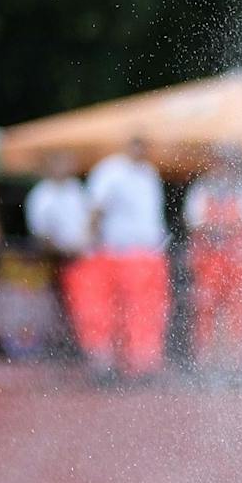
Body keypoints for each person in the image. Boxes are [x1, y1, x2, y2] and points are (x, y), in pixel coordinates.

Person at [84, 135, 171, 381]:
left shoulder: (148, 173)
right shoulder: (111, 171)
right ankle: (108, 363)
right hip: (118, 253)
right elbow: (96, 208)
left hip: (148, 253)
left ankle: (143, 363)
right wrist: (91, 244)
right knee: (111, 311)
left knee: (146, 312)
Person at [183, 147, 242, 378]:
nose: (225, 168)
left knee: (238, 310)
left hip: (237, 261)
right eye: (221, 162)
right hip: (210, 261)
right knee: (205, 308)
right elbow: (194, 222)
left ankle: (237, 364)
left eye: (229, 163)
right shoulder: (202, 189)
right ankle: (205, 362)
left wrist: (220, 230)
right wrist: (220, 231)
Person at [25, 149, 101, 359]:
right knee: (69, 311)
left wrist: (88, 239)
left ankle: (93, 354)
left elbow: (92, 217)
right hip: (62, 260)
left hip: (85, 258)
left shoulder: (75, 189)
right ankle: (70, 353)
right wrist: (67, 249)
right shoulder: (41, 196)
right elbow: (41, 234)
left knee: (91, 310)